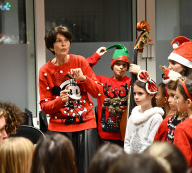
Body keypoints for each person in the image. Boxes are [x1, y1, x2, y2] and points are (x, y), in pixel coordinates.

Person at [38, 26, 102, 173]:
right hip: (59, 128)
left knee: (88, 169)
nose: (64, 44)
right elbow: (44, 106)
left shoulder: (80, 61)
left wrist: (83, 79)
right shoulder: (45, 71)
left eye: (66, 40)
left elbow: (98, 92)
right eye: (59, 41)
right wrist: (60, 100)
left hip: (86, 123)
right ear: (51, 46)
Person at [87, 45, 131, 146]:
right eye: (118, 64)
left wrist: (139, 73)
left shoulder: (131, 82)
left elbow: (149, 88)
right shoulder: (102, 81)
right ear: (112, 65)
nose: (121, 67)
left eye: (124, 65)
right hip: (105, 136)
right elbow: (85, 69)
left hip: (125, 135)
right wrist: (96, 56)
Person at [124, 70, 164, 154]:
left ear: (151, 95)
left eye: (140, 93)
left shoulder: (156, 117)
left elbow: (150, 144)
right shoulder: (133, 115)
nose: (136, 97)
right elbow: (127, 141)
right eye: (134, 94)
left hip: (145, 160)